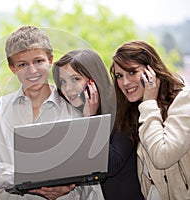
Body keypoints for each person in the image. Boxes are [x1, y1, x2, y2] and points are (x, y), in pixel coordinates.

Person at [0, 25, 83, 200]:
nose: (32, 71)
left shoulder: (74, 108)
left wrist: (67, 187)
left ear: (50, 59)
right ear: (13, 68)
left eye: (38, 61)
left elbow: (89, 174)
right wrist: (23, 175)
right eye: (23, 64)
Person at [52, 48, 143, 200]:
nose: (68, 88)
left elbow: (111, 165)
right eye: (63, 81)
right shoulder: (74, 113)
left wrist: (91, 120)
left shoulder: (124, 108)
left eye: (75, 79)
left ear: (93, 80)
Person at [110, 40, 190, 200]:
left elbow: (162, 156)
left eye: (132, 72)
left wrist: (148, 102)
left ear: (151, 71)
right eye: (119, 76)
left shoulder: (184, 101)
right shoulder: (135, 112)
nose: (125, 82)